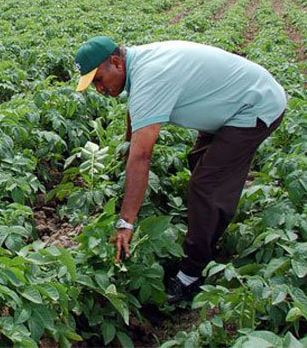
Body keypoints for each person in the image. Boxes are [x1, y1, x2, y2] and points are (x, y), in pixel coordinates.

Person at [74, 36, 287, 302]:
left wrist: (125, 222)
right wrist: (128, 141)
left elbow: (142, 157)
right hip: (231, 104)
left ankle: (190, 276)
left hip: (254, 106)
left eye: (98, 80)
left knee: (205, 186)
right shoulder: (138, 63)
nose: (99, 89)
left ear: (116, 62)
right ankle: (210, 227)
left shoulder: (151, 76)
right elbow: (136, 105)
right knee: (201, 168)